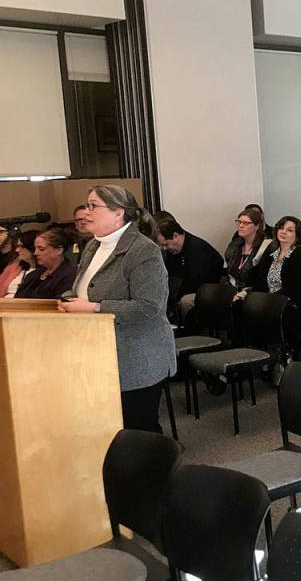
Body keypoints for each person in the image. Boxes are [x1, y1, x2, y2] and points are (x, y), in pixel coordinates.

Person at [58, 185, 176, 433]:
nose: (86, 212)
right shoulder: (93, 246)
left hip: (137, 356)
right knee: (112, 427)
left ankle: (156, 471)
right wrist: (69, 299)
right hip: (101, 352)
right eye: (87, 205)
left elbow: (149, 308)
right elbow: (85, 287)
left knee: (139, 429)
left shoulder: (144, 250)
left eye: (93, 206)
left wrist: (93, 308)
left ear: (118, 213)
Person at [249, 216, 301, 325]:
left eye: (289, 230)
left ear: (297, 236)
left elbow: (296, 289)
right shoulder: (271, 253)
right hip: (269, 300)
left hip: (289, 303)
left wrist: (267, 300)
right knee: (242, 304)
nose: (283, 232)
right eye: (281, 228)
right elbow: (260, 280)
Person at [155, 218, 224, 314]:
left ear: (175, 236)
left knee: (185, 301)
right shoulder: (174, 251)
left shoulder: (198, 250)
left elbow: (196, 281)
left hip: (208, 290)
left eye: (166, 244)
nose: (164, 248)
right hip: (190, 287)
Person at [14, 229, 76, 299]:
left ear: (59, 250)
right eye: (35, 248)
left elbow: (59, 303)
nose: (35, 253)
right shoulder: (33, 274)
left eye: (41, 249)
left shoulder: (69, 275)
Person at [224, 207, 274, 291]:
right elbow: (224, 272)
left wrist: (244, 294)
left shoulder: (266, 246)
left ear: (257, 226)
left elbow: (263, 279)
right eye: (239, 222)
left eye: (246, 223)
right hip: (231, 292)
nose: (240, 226)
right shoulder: (234, 244)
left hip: (254, 295)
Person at [3, 231, 38, 298]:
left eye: (20, 246)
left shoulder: (43, 272)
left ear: (31, 247)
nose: (17, 250)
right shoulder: (14, 267)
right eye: (17, 246)